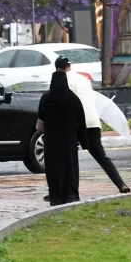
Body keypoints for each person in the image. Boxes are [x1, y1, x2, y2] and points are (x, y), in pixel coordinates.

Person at [55, 57, 130, 195]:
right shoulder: (84, 80)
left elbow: (64, 103)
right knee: (101, 156)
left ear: (58, 69)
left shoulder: (63, 80)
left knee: (67, 157)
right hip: (93, 122)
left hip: (75, 124)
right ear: (69, 66)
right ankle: (121, 184)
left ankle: (63, 190)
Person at [37, 71, 87, 206]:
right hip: (69, 141)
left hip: (51, 141)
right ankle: (70, 195)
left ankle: (56, 197)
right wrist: (84, 141)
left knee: (54, 169)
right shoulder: (73, 99)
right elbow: (81, 121)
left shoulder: (46, 98)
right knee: (69, 167)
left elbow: (41, 117)